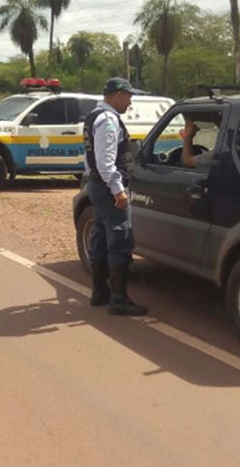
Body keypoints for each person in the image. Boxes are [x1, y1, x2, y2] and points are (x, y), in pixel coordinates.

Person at [82, 77, 148, 316]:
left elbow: (90, 159)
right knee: (120, 240)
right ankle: (119, 299)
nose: (130, 102)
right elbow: (105, 160)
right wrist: (118, 189)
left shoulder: (94, 117)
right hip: (108, 187)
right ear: (118, 94)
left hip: (97, 185)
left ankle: (100, 292)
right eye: (129, 96)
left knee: (100, 236)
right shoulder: (108, 120)